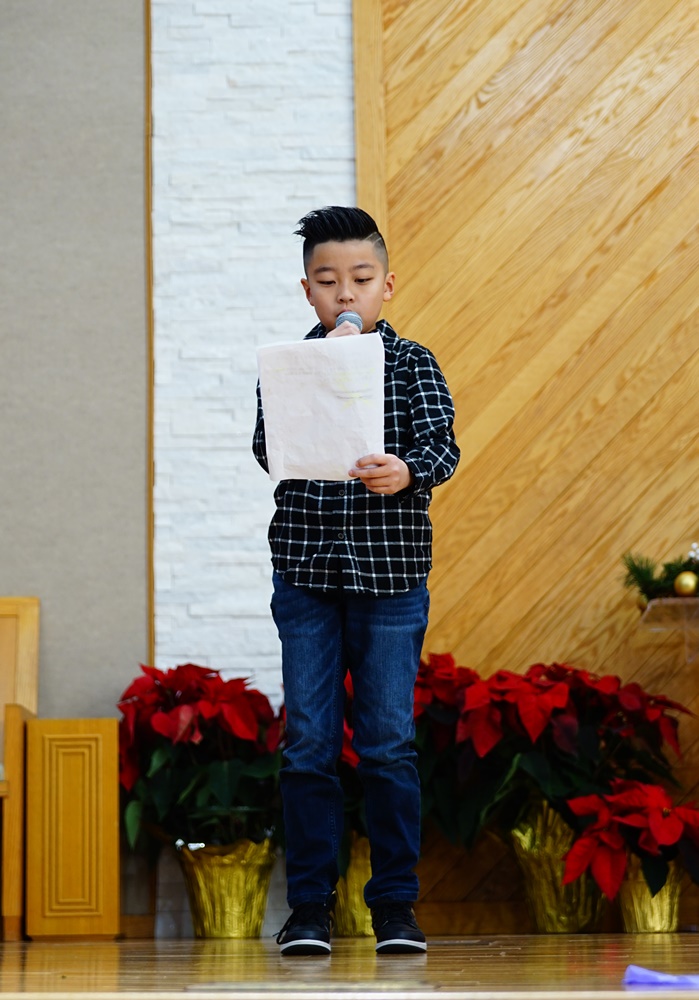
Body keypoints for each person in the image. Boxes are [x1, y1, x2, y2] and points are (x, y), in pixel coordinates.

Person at [252, 206, 460, 956]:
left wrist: (406, 470)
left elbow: (442, 447)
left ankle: (394, 908)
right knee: (307, 742)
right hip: (306, 572)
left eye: (361, 279)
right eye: (328, 281)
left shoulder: (413, 363)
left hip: (392, 576)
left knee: (387, 744)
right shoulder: (290, 365)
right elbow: (266, 447)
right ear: (307, 290)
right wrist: (316, 408)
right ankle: (310, 908)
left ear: (387, 286)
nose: (345, 294)